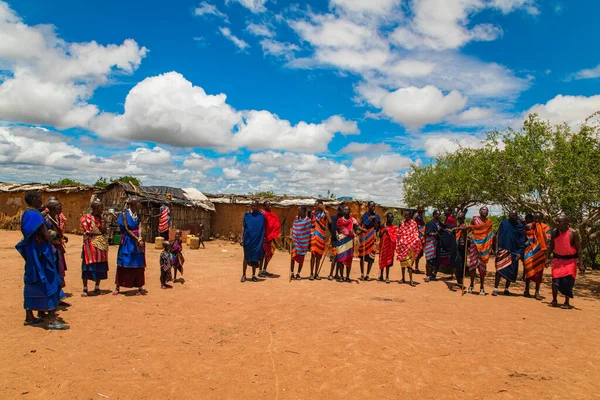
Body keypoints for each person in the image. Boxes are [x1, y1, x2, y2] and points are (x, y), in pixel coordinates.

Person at [16, 190, 69, 330]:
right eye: (39, 198)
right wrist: (53, 233)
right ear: (34, 199)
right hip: (42, 254)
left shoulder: (27, 214)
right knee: (49, 280)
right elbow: (47, 236)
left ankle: (29, 316)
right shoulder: (36, 216)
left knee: (32, 282)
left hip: (33, 254)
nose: (41, 201)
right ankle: (51, 319)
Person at [547, 215, 585, 309]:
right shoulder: (555, 232)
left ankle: (567, 302)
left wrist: (581, 263)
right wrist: (546, 257)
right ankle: (554, 300)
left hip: (570, 261)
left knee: (568, 282)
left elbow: (579, 249)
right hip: (557, 260)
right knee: (555, 281)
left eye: (560, 222)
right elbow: (551, 246)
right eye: (557, 222)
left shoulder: (573, 233)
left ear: (566, 222)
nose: (558, 224)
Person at [114, 199, 146, 296]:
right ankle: (118, 286)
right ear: (134, 204)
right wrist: (136, 238)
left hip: (137, 241)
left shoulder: (138, 215)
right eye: (138, 203)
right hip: (128, 241)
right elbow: (127, 229)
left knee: (138, 262)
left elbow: (139, 227)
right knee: (124, 262)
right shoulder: (124, 214)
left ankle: (139, 286)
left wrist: (140, 238)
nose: (140, 205)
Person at [493, 211, 526, 296]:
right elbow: (498, 235)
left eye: (515, 215)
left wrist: (520, 252)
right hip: (503, 249)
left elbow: (522, 240)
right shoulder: (504, 223)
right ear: (509, 215)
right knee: (499, 270)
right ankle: (495, 288)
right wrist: (496, 249)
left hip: (514, 251)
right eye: (512, 215)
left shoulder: (520, 226)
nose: (513, 216)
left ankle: (506, 289)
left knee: (511, 271)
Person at [81, 199, 110, 296]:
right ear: (94, 208)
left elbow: (104, 231)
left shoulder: (100, 218)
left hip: (101, 247)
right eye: (100, 207)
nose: (101, 209)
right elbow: (87, 232)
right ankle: (85, 288)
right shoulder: (86, 218)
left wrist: (102, 220)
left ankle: (97, 287)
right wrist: (99, 233)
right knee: (87, 268)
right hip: (89, 246)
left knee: (100, 267)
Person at [467, 206, 494, 295]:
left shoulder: (489, 222)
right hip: (474, 245)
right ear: (479, 211)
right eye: (483, 210)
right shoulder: (474, 220)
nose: (485, 211)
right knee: (473, 265)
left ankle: (482, 286)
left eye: (486, 210)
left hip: (484, 246)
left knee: (482, 267)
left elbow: (490, 235)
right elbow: (469, 230)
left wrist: (490, 246)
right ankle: (471, 285)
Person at [336, 206, 366, 282]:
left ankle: (347, 277)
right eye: (345, 209)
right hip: (341, 241)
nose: (346, 211)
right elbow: (337, 229)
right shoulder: (339, 220)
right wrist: (336, 236)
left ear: (349, 211)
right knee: (341, 258)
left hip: (349, 241)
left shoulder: (352, 220)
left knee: (349, 258)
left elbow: (357, 226)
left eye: (347, 210)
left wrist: (363, 230)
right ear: (343, 211)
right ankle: (342, 276)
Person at [523, 213, 549, 300]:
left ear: (542, 219)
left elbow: (548, 240)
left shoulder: (545, 227)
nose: (537, 220)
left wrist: (547, 255)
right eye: (535, 218)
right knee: (528, 272)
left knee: (539, 273)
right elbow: (524, 238)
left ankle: (537, 292)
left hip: (540, 252)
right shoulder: (528, 226)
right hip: (529, 252)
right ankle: (526, 290)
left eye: (539, 218)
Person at [46, 198, 69, 292]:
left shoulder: (56, 217)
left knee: (59, 269)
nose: (61, 207)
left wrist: (62, 236)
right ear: (52, 208)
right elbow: (48, 234)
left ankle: (58, 292)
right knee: (55, 269)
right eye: (59, 206)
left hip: (58, 246)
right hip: (52, 248)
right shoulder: (47, 219)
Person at [396, 210, 423, 286]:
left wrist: (414, 240)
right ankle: (403, 278)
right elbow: (399, 233)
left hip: (410, 246)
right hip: (403, 246)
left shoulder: (413, 223)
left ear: (410, 216)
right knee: (403, 264)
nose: (406, 217)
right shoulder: (402, 223)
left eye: (408, 215)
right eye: (405, 215)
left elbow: (415, 233)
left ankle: (411, 280)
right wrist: (400, 242)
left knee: (409, 264)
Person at [240, 201, 266, 282]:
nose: (254, 207)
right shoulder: (247, 215)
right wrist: (241, 238)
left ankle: (253, 275)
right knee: (246, 257)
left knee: (255, 258)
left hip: (257, 240)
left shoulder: (261, 216)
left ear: (258, 206)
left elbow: (263, 229)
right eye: (253, 206)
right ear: (251, 206)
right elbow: (243, 227)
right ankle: (244, 275)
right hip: (248, 239)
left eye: (256, 206)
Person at [358, 201, 381, 281]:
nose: (373, 208)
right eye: (371, 206)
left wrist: (374, 219)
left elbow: (377, 228)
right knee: (362, 256)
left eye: (374, 206)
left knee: (371, 256)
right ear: (368, 207)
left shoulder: (376, 216)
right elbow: (360, 225)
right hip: (364, 236)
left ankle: (367, 274)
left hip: (372, 237)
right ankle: (362, 274)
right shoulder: (364, 215)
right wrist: (361, 230)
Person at [309, 200, 331, 280]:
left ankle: (316, 274)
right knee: (313, 255)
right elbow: (311, 224)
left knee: (319, 256)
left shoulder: (325, 213)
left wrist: (325, 210)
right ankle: (311, 273)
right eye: (314, 206)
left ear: (321, 206)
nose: (314, 207)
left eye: (316, 206)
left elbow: (330, 221)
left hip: (321, 237)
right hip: (314, 236)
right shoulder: (313, 213)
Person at [259, 201, 281, 277]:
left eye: (270, 205)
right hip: (263, 237)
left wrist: (274, 233)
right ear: (264, 206)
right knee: (262, 254)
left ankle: (264, 270)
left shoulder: (272, 215)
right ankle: (260, 271)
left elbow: (275, 224)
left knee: (269, 254)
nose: (270, 207)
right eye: (268, 206)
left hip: (270, 237)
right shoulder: (262, 214)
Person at [291, 206, 311, 280]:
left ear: (303, 211)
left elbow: (307, 232)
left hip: (303, 243)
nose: (298, 212)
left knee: (301, 259)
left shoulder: (308, 220)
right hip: (295, 242)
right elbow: (294, 228)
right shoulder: (296, 218)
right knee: (293, 257)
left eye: (299, 210)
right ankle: (292, 273)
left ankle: (298, 274)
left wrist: (306, 241)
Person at [378, 212, 397, 284]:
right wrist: (383, 232)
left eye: (392, 217)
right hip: (383, 246)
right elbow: (379, 236)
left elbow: (395, 237)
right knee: (382, 260)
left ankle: (387, 276)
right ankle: (381, 276)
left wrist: (388, 233)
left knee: (388, 261)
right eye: (390, 217)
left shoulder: (394, 227)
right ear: (387, 218)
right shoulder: (382, 226)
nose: (391, 219)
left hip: (390, 246)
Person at [424, 210, 442, 282]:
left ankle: (433, 275)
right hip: (430, 243)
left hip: (437, 244)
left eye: (440, 214)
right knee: (429, 260)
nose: (439, 216)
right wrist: (435, 234)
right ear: (434, 215)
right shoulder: (430, 224)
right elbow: (427, 233)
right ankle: (428, 275)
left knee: (436, 260)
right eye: (438, 214)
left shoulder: (440, 224)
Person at [328, 205, 344, 281]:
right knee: (335, 257)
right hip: (335, 239)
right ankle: (331, 274)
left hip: (342, 240)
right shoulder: (334, 217)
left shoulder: (344, 219)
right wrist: (332, 234)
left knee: (339, 258)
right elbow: (330, 225)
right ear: (339, 211)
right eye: (341, 211)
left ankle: (337, 274)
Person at [453, 212, 469, 289]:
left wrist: (458, 228)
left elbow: (466, 229)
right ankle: (458, 282)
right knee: (456, 265)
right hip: (457, 247)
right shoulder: (458, 226)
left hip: (463, 247)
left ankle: (460, 283)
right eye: (458, 218)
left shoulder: (464, 225)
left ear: (463, 218)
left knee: (461, 265)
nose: (459, 220)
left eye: (461, 218)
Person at [412, 205, 426, 274]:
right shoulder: (416, 215)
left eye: (422, 208)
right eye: (420, 208)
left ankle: (415, 268)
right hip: (418, 235)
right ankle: (412, 267)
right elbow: (413, 224)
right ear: (417, 209)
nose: (421, 209)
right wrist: (418, 232)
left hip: (421, 235)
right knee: (416, 251)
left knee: (419, 252)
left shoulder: (421, 215)